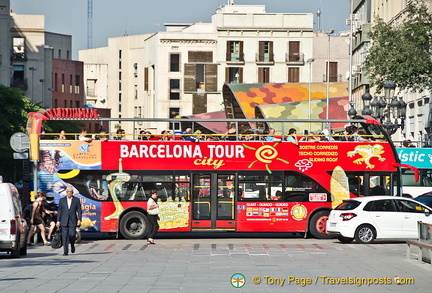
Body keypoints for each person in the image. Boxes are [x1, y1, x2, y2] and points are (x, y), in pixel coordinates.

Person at [56, 186, 82, 256]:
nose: (69, 193)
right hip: (64, 220)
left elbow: (79, 210)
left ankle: (72, 244)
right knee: (64, 236)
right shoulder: (62, 200)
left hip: (73, 220)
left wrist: (79, 219)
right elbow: (60, 211)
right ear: (66, 192)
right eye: (67, 192)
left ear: (72, 193)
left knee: (72, 235)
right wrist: (58, 221)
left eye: (70, 192)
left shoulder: (76, 200)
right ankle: (65, 251)